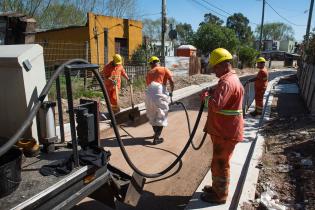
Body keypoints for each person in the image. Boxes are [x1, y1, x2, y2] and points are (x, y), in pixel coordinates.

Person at [200, 48, 244, 204]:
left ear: (224, 65)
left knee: (221, 162)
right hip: (225, 130)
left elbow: (216, 105)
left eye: (215, 67)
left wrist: (205, 98)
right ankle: (217, 188)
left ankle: (220, 196)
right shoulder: (230, 79)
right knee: (217, 162)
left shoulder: (226, 82)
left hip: (225, 132)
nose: (213, 70)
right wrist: (214, 90)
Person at [145, 56, 174, 145]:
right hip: (159, 92)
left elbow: (149, 85)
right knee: (161, 114)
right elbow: (172, 81)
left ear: (150, 64)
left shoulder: (149, 73)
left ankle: (155, 133)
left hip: (148, 94)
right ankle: (156, 138)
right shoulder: (164, 69)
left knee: (152, 114)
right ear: (158, 62)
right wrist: (171, 92)